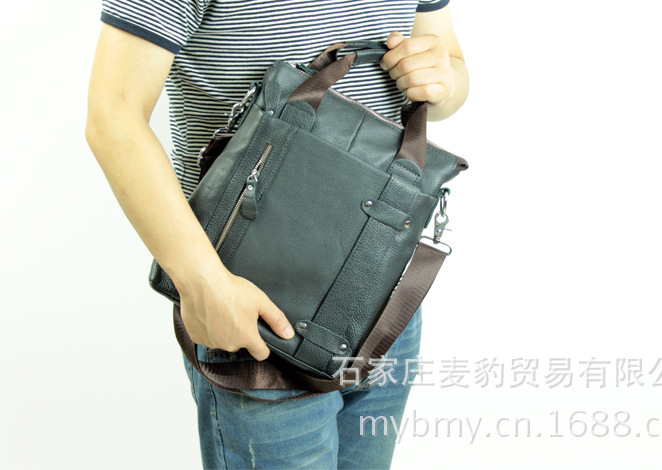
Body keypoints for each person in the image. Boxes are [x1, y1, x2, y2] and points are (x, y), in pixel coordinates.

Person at [86, 0, 469, 467]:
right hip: (255, 307)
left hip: (385, 302)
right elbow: (113, 116)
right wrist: (205, 283)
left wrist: (444, 80)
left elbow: (450, 64)